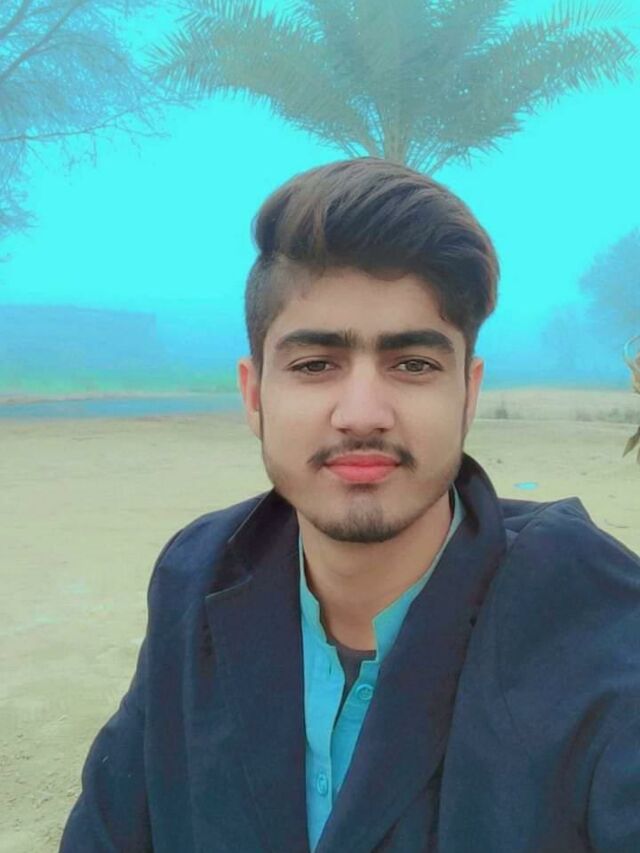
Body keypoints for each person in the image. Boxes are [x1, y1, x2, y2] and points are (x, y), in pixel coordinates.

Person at [60, 157, 640, 853]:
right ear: (254, 395)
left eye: (413, 364)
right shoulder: (197, 578)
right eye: (315, 365)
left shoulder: (597, 622)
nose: (362, 412)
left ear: (468, 393)